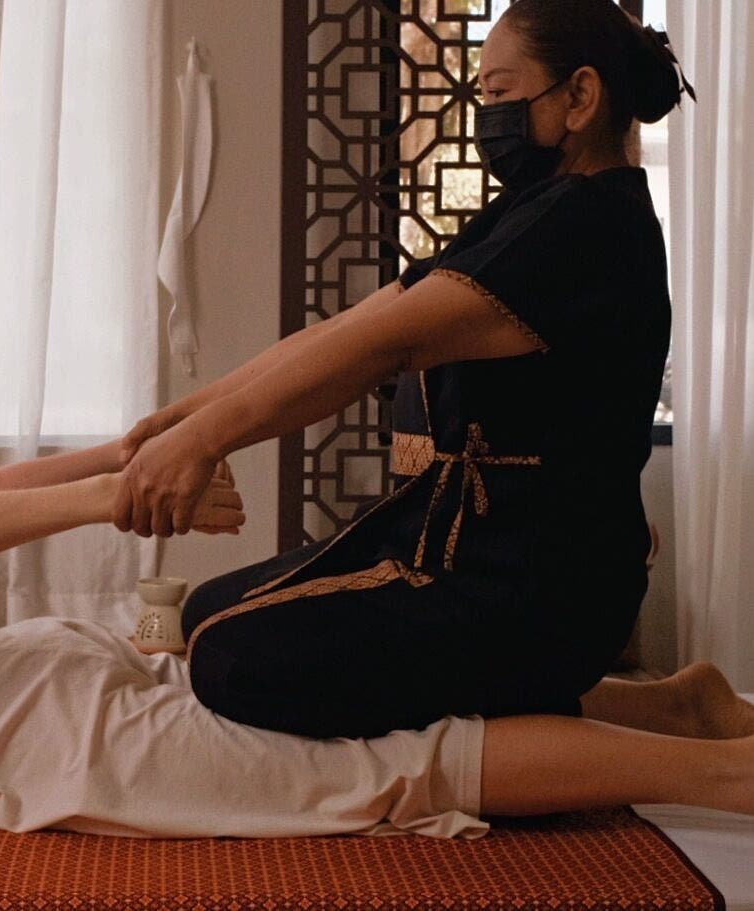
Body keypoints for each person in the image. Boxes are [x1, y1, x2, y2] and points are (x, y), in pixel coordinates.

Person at [0, 310, 754, 841]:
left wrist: (119, 478)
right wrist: (120, 469)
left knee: (378, 771)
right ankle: (672, 707)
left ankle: (721, 775)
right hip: (5, 702)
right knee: (351, 719)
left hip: (7, 732)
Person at [111, 0, 754, 811]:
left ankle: (727, 776)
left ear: (579, 97)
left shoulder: (585, 226)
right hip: (469, 550)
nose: (487, 115)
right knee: (209, 616)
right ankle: (674, 706)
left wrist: (207, 437)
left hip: (532, 579)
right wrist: (191, 417)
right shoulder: (535, 210)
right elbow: (352, 327)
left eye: (499, 92)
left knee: (229, 658)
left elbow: (377, 349)